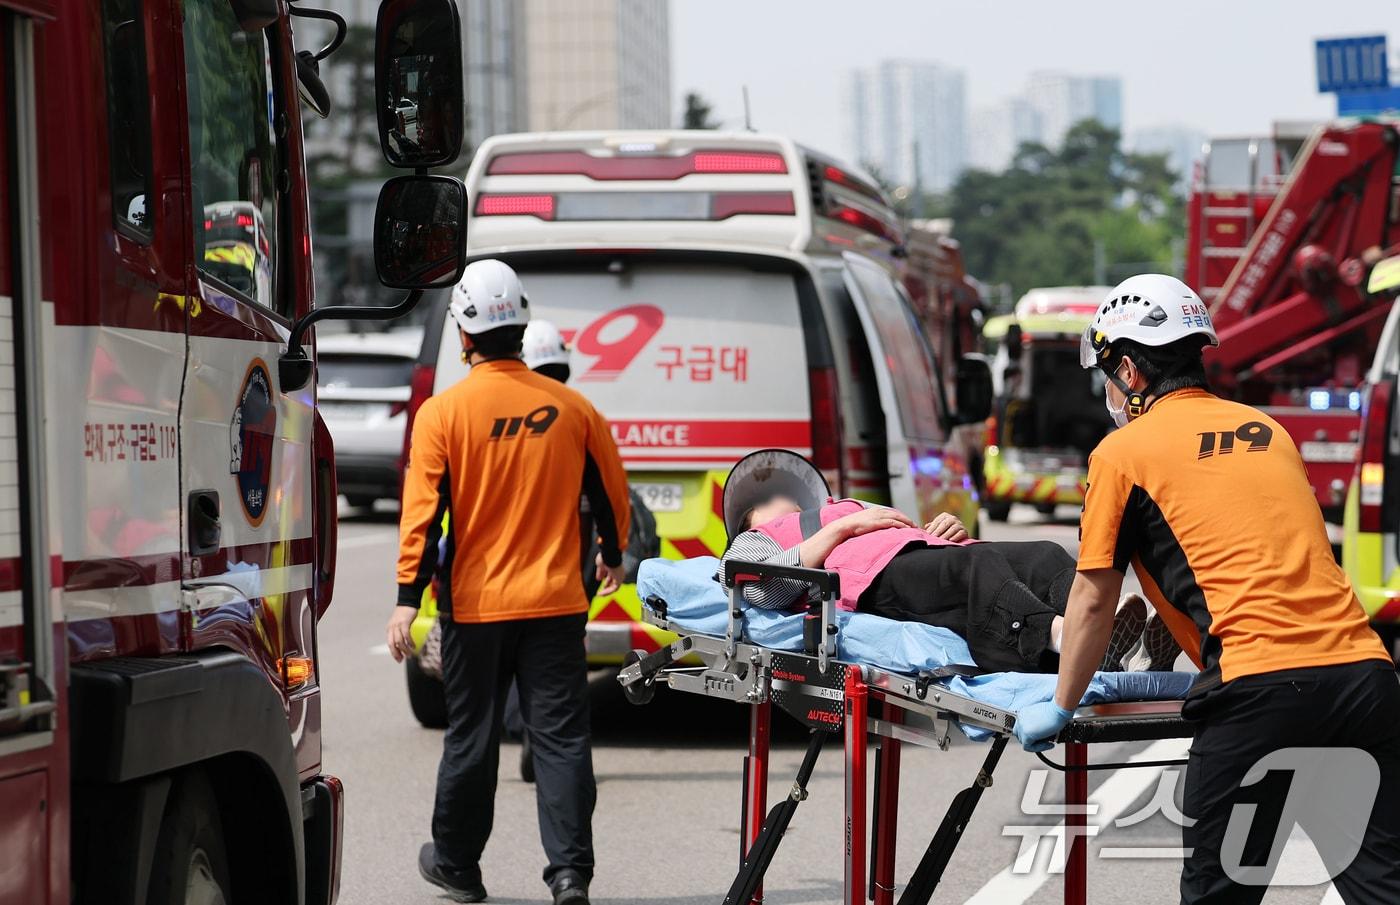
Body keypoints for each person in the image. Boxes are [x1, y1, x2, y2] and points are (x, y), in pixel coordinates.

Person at [1013, 273, 1400, 904]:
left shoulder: (1124, 452)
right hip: (1363, 679)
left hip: (1258, 692)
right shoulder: (1266, 431)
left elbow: (1092, 598)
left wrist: (1063, 703)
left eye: (1110, 375)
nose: (1109, 391)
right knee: (1381, 888)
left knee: (1220, 894)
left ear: (1131, 372)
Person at [386, 260, 631, 905]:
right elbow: (611, 494)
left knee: (472, 736)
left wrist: (407, 601)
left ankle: (458, 867)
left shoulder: (443, 414)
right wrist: (612, 553)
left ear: (464, 333)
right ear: (520, 326)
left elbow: (424, 516)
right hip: (555, 604)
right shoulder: (573, 410)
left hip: (475, 608)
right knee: (561, 741)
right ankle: (570, 875)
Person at [718, 449, 1167, 673]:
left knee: (1041, 555)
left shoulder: (846, 507)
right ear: (748, 519)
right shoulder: (753, 541)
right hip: (871, 583)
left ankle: (1119, 642)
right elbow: (766, 588)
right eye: (767, 499)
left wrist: (940, 531)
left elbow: (905, 541)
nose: (783, 500)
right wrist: (839, 530)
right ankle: (1074, 638)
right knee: (972, 572)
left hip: (914, 558)